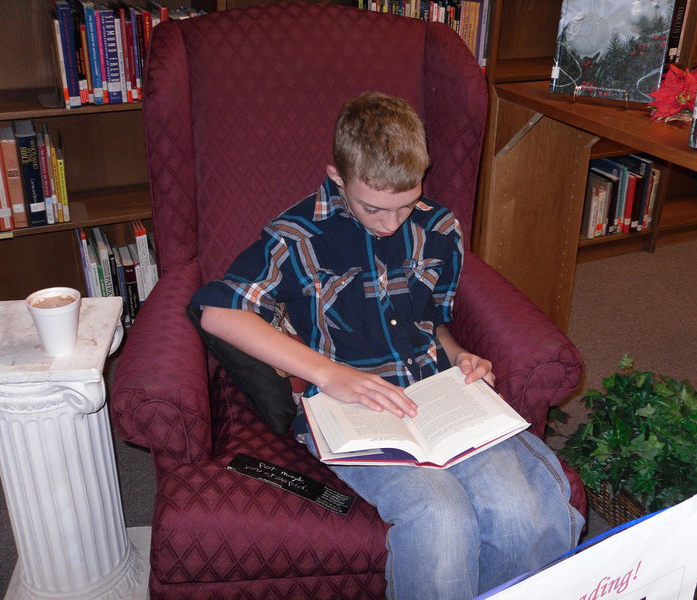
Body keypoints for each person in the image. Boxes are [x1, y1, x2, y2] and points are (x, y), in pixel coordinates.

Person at [192, 91, 584, 599]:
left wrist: (460, 355)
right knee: (440, 518)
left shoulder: (439, 226)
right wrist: (331, 375)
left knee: (521, 513)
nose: (390, 223)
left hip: (438, 396)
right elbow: (219, 312)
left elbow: (434, 323)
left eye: (405, 205)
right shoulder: (297, 236)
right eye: (373, 207)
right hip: (350, 410)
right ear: (337, 176)